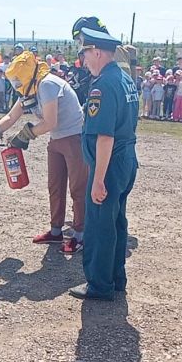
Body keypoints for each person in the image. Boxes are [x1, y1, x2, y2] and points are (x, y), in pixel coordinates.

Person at [0, 50, 88, 255]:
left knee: (77, 188)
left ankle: (81, 235)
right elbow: (11, 116)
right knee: (55, 185)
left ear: (26, 74)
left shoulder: (47, 85)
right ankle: (56, 232)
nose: (16, 85)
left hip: (74, 138)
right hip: (57, 139)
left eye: (18, 80)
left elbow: (50, 122)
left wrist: (25, 135)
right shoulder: (30, 88)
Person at [67, 17, 139, 300]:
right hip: (126, 161)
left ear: (96, 50)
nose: (84, 61)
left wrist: (98, 180)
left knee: (99, 225)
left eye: (84, 53)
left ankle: (99, 284)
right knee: (117, 221)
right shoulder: (124, 78)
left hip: (108, 164)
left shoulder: (103, 85)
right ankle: (116, 277)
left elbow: (105, 137)